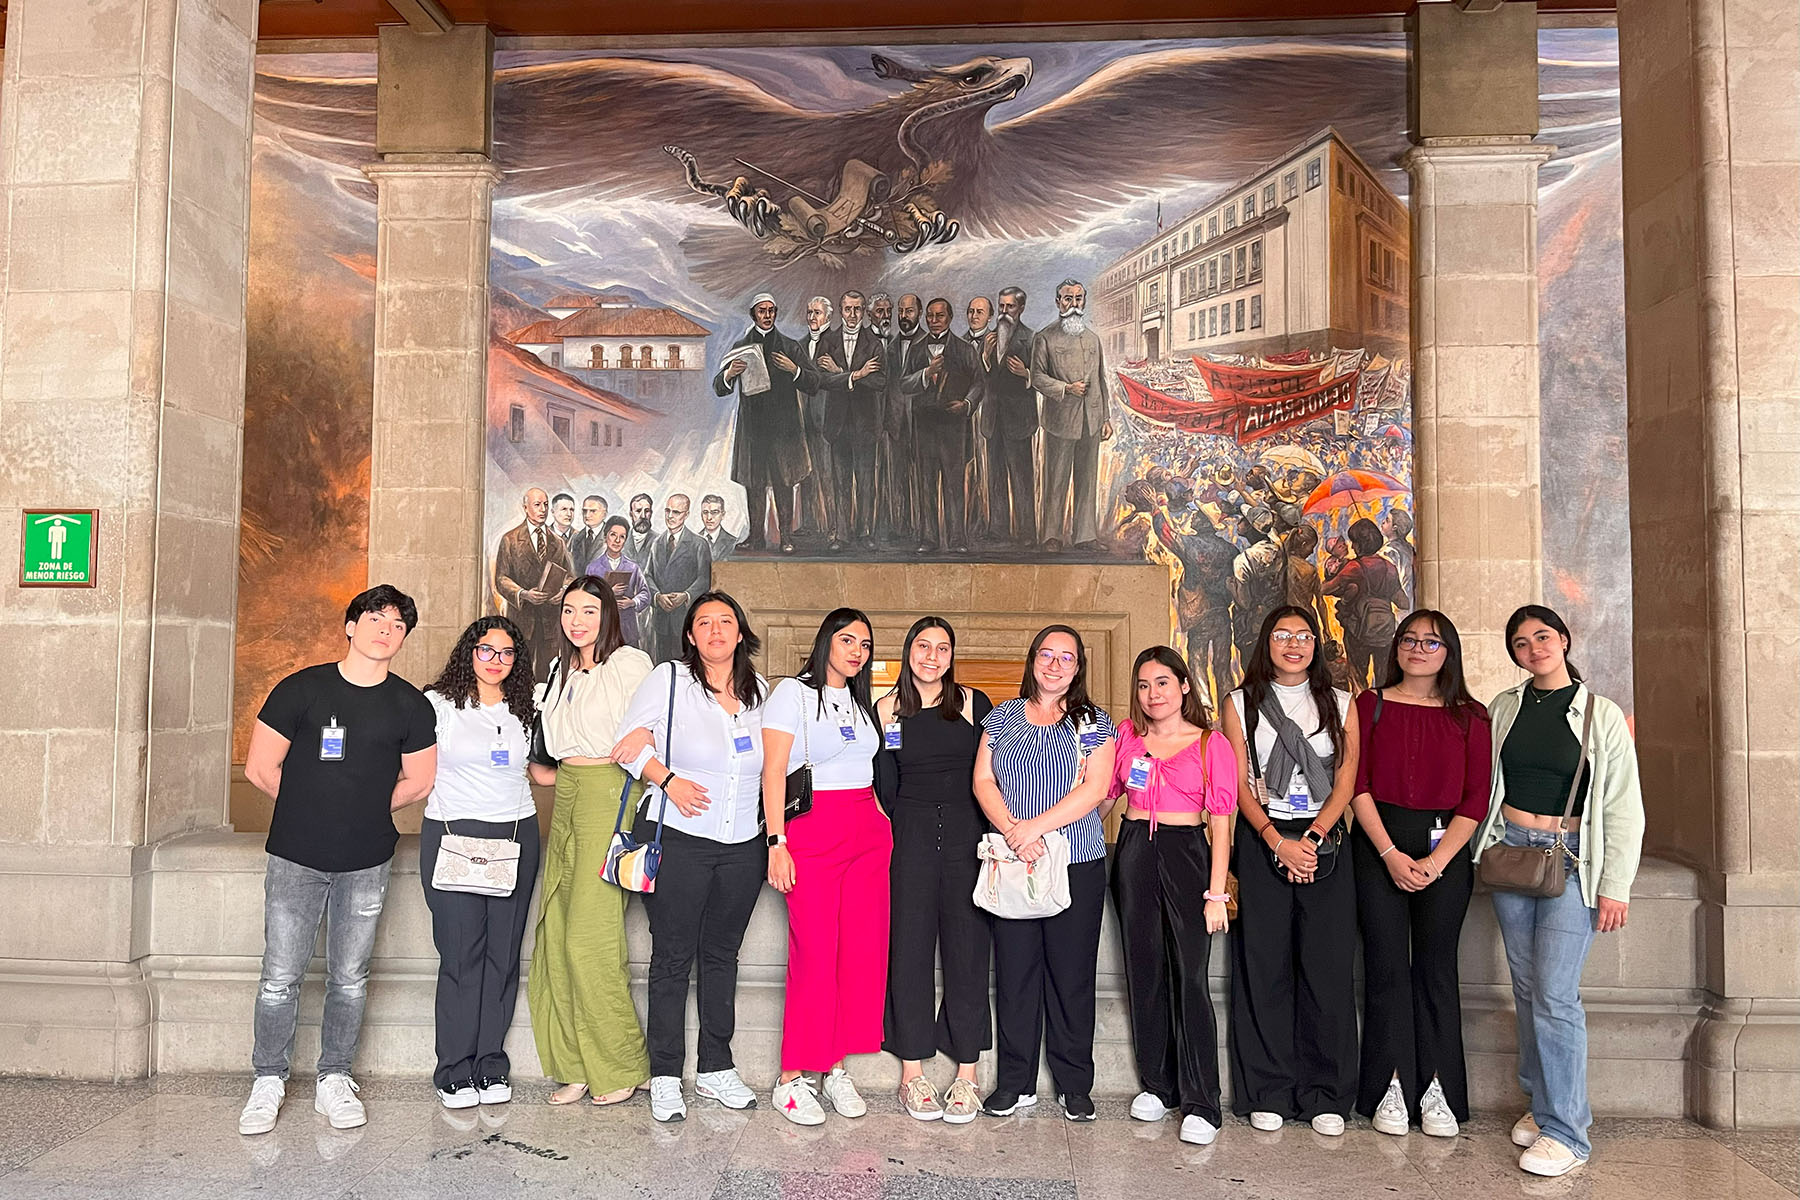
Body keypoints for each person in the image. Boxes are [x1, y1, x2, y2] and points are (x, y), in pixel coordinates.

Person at [237, 584, 438, 1136]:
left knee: (349, 977)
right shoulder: (301, 688)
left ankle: (334, 1079)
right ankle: (268, 1080)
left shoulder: (409, 705)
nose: (385, 630)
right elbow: (260, 769)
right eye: (375, 618)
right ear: (351, 626)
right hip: (297, 855)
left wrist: (363, 808)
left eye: (397, 625)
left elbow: (419, 780)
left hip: (366, 858)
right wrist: (314, 808)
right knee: (280, 975)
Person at [1471, 605, 1643, 1178]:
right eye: (1520, 643)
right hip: (1514, 855)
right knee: (1527, 987)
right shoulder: (1505, 707)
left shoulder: (1602, 714)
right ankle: (1542, 1108)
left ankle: (1569, 1133)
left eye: (1542, 636)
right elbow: (1485, 778)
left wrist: (1615, 886)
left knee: (1555, 993)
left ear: (1564, 640)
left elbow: (1622, 805)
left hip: (1573, 861)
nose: (1533, 649)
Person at [613, 592, 770, 1123]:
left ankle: (716, 1067)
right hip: (680, 838)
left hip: (743, 845)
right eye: (704, 622)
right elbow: (628, 744)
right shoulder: (671, 680)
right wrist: (670, 781)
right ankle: (665, 1074)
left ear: (741, 631)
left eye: (726, 620)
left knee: (723, 956)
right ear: (690, 636)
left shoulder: (761, 692)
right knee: (673, 957)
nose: (716, 630)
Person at [1349, 611, 1492, 1140]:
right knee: (1385, 968)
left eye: (1431, 642)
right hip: (1379, 845)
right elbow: (1356, 783)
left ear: (1448, 651)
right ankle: (1388, 1085)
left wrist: (1436, 862)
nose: (1418, 648)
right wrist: (1388, 853)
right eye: (1409, 639)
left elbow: (1476, 797)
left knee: (1435, 969)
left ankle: (1437, 1089)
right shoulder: (1372, 704)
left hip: (1445, 851)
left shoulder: (1471, 715)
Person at [1222, 605, 1360, 1135]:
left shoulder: (1342, 703)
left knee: (1326, 970)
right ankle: (1268, 1089)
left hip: (1324, 838)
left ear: (1315, 646)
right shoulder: (1240, 704)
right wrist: (1277, 842)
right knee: (1265, 967)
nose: (1294, 644)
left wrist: (1313, 840)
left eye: (1304, 636)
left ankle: (1325, 1092)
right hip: (1264, 838)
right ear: (1266, 643)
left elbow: (1345, 781)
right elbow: (1236, 782)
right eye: (1283, 635)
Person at [974, 625, 1118, 1121]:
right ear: (1032, 658)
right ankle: (1015, 1082)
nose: (1055, 664)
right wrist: (1016, 833)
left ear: (1078, 667)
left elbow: (1096, 787)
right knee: (1014, 974)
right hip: (1014, 862)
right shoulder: (1001, 716)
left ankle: (1075, 1083)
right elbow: (982, 779)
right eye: (1047, 654)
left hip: (1076, 863)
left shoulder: (1095, 722)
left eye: (1067, 657)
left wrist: (1033, 827)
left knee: (1072, 976)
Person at [526, 575, 655, 1107]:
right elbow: (552, 753)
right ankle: (577, 1064)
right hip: (568, 793)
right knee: (555, 931)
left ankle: (621, 1064)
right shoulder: (558, 670)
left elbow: (654, 728)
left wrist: (640, 746)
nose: (577, 621)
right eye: (570, 611)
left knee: (590, 936)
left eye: (589, 610)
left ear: (608, 615)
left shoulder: (630, 663)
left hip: (611, 792)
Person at [760, 608, 889, 1125]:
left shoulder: (861, 703)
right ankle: (791, 1078)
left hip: (866, 832)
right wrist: (776, 842)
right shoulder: (793, 692)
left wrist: (880, 817)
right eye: (846, 639)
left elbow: (867, 767)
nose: (856, 650)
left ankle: (832, 1067)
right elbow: (773, 771)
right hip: (812, 831)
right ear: (825, 642)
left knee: (855, 955)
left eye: (865, 642)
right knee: (814, 952)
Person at [1106, 646, 1237, 1145]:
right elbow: (1104, 796)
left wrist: (1215, 892)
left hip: (1188, 855)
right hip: (1135, 850)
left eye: (1162, 682)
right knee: (1144, 971)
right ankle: (1157, 1086)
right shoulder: (1127, 738)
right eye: (1143, 685)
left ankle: (1201, 1100)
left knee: (1191, 977)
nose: (1152, 693)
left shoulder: (1210, 744)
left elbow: (1221, 825)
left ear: (1184, 686)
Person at [412, 616, 542, 1109]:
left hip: (514, 836)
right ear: (469, 651)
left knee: (502, 956)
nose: (496, 661)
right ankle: (453, 1068)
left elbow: (543, 773)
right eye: (487, 650)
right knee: (461, 956)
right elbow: (413, 771)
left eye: (507, 653)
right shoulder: (436, 705)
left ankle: (490, 1065)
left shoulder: (527, 709)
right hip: (451, 835)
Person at [875, 617, 994, 1125]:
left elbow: (993, 773)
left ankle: (967, 1075)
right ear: (909, 651)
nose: (932, 655)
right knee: (910, 949)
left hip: (968, 836)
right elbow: (884, 779)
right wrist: (907, 824)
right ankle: (912, 1073)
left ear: (951, 655)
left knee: (969, 950)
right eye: (923, 646)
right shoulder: (886, 708)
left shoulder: (974, 702)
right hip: (911, 837)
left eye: (942, 648)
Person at [713, 293, 817, 554]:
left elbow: (813, 382)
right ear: (754, 315)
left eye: (771, 310)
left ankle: (786, 538)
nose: (767, 315)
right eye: (762, 311)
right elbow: (719, 387)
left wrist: (794, 369)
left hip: (784, 429)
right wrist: (729, 374)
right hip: (754, 431)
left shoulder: (790, 346)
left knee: (784, 483)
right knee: (754, 483)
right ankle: (756, 537)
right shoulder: (741, 346)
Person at [1031, 279, 1112, 551]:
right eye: (1068, 299)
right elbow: (1037, 377)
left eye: (1078, 298)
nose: (1073, 304)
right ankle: (1051, 535)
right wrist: (1065, 388)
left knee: (1087, 479)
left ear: (1084, 301)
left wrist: (1106, 419)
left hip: (1091, 419)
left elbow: (1101, 380)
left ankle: (1085, 536)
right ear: (1058, 302)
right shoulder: (1044, 337)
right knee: (1056, 479)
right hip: (1061, 420)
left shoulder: (1093, 339)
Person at [903, 298, 984, 554]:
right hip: (924, 426)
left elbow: (979, 383)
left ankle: (957, 539)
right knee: (926, 484)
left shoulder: (963, 349)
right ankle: (928, 539)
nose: (934, 321)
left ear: (949, 318)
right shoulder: (916, 350)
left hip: (954, 428)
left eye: (939, 316)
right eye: (930, 316)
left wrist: (967, 405)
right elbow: (904, 384)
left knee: (954, 484)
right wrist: (926, 374)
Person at [816, 289, 887, 553]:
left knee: (866, 482)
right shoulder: (829, 340)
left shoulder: (874, 342)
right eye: (848, 309)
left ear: (864, 311)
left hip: (866, 424)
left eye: (858, 309)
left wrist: (841, 375)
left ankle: (865, 532)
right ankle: (842, 536)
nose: (853, 314)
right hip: (837, 425)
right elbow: (821, 379)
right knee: (841, 482)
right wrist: (856, 375)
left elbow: (880, 381)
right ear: (841, 310)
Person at [494, 487, 574, 681]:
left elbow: (569, 576)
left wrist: (563, 591)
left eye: (546, 505)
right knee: (520, 669)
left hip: (550, 620)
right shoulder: (510, 540)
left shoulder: (557, 542)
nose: (543, 510)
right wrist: (523, 593)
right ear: (525, 508)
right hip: (522, 618)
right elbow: (501, 579)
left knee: (548, 674)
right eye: (537, 505)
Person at [980, 286, 1039, 546]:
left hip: (1019, 420)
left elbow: (1043, 379)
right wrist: (984, 357)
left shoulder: (1031, 338)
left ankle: (1026, 533)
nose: (1004, 313)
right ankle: (998, 530)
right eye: (1001, 307)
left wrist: (1026, 373)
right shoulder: (990, 338)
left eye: (1009, 307)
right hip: (994, 419)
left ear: (1021, 308)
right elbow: (981, 379)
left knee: (1022, 477)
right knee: (995, 477)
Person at [1323, 517, 1404, 689]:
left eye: (1354, 542)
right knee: (1383, 679)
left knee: (1358, 678)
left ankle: (1361, 710)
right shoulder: (1390, 568)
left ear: (1361, 544)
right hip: (1384, 632)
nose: (1352, 546)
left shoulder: (1355, 567)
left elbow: (1326, 589)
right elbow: (1403, 602)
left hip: (1359, 631)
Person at [642, 493, 713, 665]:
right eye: (668, 511)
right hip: (661, 620)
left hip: (686, 620)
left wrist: (686, 596)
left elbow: (704, 579)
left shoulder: (698, 544)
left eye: (676, 512)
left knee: (687, 668)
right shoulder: (657, 543)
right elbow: (647, 575)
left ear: (686, 514)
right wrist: (657, 596)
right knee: (662, 669)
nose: (670, 516)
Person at [880, 293, 925, 546]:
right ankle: (900, 527)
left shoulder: (929, 342)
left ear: (918, 313)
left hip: (921, 420)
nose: (904, 316)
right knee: (896, 476)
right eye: (901, 311)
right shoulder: (890, 347)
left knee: (920, 476)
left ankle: (922, 529)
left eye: (909, 311)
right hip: (895, 420)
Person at [794, 296, 838, 540]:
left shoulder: (835, 343)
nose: (812, 317)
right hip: (804, 420)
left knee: (829, 475)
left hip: (828, 420)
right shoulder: (799, 345)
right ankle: (810, 524)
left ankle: (834, 526)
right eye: (810, 312)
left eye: (817, 313)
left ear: (828, 317)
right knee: (806, 473)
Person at [582, 516, 650, 649]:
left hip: (628, 630)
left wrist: (632, 602)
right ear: (605, 536)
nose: (617, 540)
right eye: (613, 535)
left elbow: (645, 594)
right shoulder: (593, 568)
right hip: (602, 630)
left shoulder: (633, 567)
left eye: (622, 536)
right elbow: (586, 600)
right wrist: (608, 593)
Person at [569, 494, 610, 575]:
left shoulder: (611, 536)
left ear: (604, 514)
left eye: (593, 511)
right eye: (585, 511)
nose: (587, 515)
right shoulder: (576, 537)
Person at [698, 493, 739, 563]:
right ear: (701, 515)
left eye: (714, 512)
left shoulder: (733, 542)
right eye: (705, 512)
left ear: (722, 515)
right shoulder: (694, 540)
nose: (709, 518)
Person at [626, 492, 656, 565]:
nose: (643, 516)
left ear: (651, 514)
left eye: (647, 511)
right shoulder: (621, 539)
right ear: (631, 514)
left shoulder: (659, 541)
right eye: (638, 511)